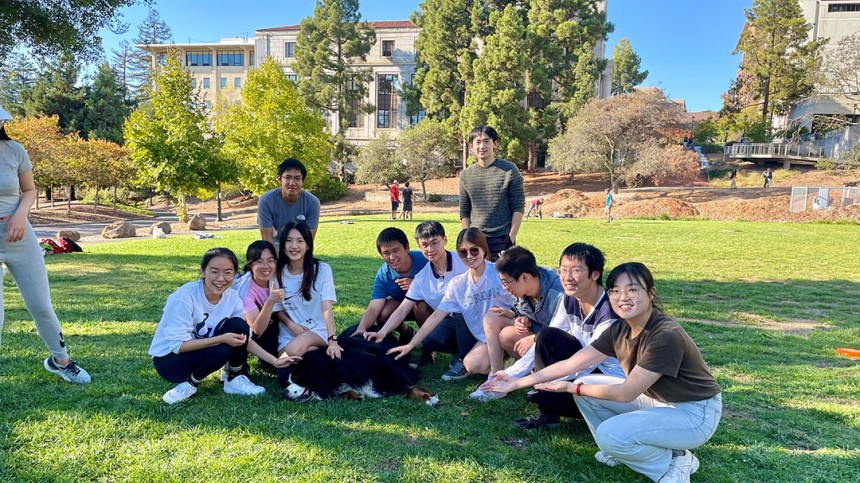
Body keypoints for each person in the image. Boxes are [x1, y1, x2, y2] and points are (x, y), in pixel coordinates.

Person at [483, 262, 722, 482]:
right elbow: (572, 364)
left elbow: (626, 392)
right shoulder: (620, 328)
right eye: (615, 291)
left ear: (650, 292)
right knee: (588, 383)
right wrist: (515, 381)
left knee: (608, 431)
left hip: (694, 412)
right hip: (658, 401)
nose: (622, 297)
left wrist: (570, 387)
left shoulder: (664, 336)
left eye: (632, 290)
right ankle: (622, 449)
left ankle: (675, 462)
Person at [0, 107, 90, 384]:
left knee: (40, 304)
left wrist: (20, 215)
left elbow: (30, 190)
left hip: (18, 233)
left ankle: (60, 360)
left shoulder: (14, 150)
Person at [149, 248, 291, 404]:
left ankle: (234, 380)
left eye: (228, 272)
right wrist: (220, 338)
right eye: (214, 272)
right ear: (203, 272)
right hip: (170, 362)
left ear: (234, 274)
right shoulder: (183, 297)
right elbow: (178, 346)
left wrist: (274, 361)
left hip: (202, 353)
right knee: (224, 345)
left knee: (238, 326)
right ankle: (189, 385)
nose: (221, 279)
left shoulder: (232, 298)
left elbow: (244, 338)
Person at [506, 243, 624, 429]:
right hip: (581, 372)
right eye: (562, 270)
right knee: (547, 336)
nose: (567, 278)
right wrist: (509, 374)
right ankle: (549, 414)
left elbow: (585, 363)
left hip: (609, 386)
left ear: (595, 274)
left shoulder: (610, 314)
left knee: (552, 353)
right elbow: (547, 338)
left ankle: (603, 419)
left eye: (576, 270)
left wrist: (541, 385)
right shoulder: (570, 298)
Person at [388, 228, 514, 378]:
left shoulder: (500, 272)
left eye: (474, 251)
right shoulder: (458, 284)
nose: (469, 256)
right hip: (483, 335)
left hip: (510, 326)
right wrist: (411, 344)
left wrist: (515, 315)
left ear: (484, 250)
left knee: (497, 325)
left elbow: (530, 283)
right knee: (472, 364)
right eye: (463, 252)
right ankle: (503, 359)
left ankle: (499, 373)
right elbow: (436, 316)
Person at [363, 221, 471, 380]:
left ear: (445, 240)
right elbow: (402, 310)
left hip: (476, 315)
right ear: (419, 247)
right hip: (446, 319)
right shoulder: (421, 277)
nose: (430, 249)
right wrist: (382, 332)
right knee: (431, 338)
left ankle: (465, 357)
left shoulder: (463, 260)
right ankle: (460, 352)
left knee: (463, 314)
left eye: (435, 243)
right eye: (425, 245)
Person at [471, 246, 564, 402]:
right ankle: (495, 377)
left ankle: (540, 379)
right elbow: (523, 310)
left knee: (509, 336)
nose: (504, 288)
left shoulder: (559, 293)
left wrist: (535, 338)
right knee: (493, 317)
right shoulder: (521, 288)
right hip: (537, 334)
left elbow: (563, 329)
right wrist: (518, 317)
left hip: (556, 345)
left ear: (524, 277)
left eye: (507, 283)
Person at [274, 221, 342, 366]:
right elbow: (278, 309)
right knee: (284, 362)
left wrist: (332, 340)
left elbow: (326, 307)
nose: (294, 246)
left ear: (308, 245)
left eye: (300, 241)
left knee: (294, 350)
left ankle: (315, 350)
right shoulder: (277, 273)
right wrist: (290, 324)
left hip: (317, 330)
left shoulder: (322, 269)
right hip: (289, 333)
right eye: (289, 241)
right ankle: (316, 353)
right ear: (283, 244)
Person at [349, 227, 429, 341]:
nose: (392, 257)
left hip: (427, 306)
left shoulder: (425, 260)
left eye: (396, 251)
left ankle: (428, 345)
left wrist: (418, 286)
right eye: (386, 253)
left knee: (421, 306)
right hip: (401, 307)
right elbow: (373, 308)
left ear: (406, 247)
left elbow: (444, 287)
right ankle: (406, 331)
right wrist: (361, 328)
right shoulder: (383, 274)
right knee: (382, 314)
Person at [459, 125, 525, 260]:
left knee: (503, 280)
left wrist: (510, 239)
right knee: (478, 280)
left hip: (502, 239)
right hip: (475, 239)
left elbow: (518, 206)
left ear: (495, 144)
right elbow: (464, 211)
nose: (482, 146)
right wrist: (467, 238)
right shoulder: (466, 175)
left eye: (486, 141)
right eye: (477, 142)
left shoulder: (509, 170)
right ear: (471, 146)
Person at [232, 240, 293, 367]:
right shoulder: (244, 290)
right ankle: (234, 366)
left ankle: (268, 359)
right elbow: (257, 330)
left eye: (270, 260)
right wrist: (270, 301)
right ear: (250, 265)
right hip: (250, 333)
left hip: (275, 325)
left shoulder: (279, 278)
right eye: (259, 261)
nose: (266, 266)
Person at [257, 158, 321, 246]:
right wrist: (280, 259)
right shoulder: (266, 200)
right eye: (287, 178)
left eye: (297, 178)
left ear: (302, 181)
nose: (292, 183)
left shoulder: (312, 202)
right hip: (275, 243)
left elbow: (308, 239)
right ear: (279, 179)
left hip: (299, 245)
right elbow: (267, 238)